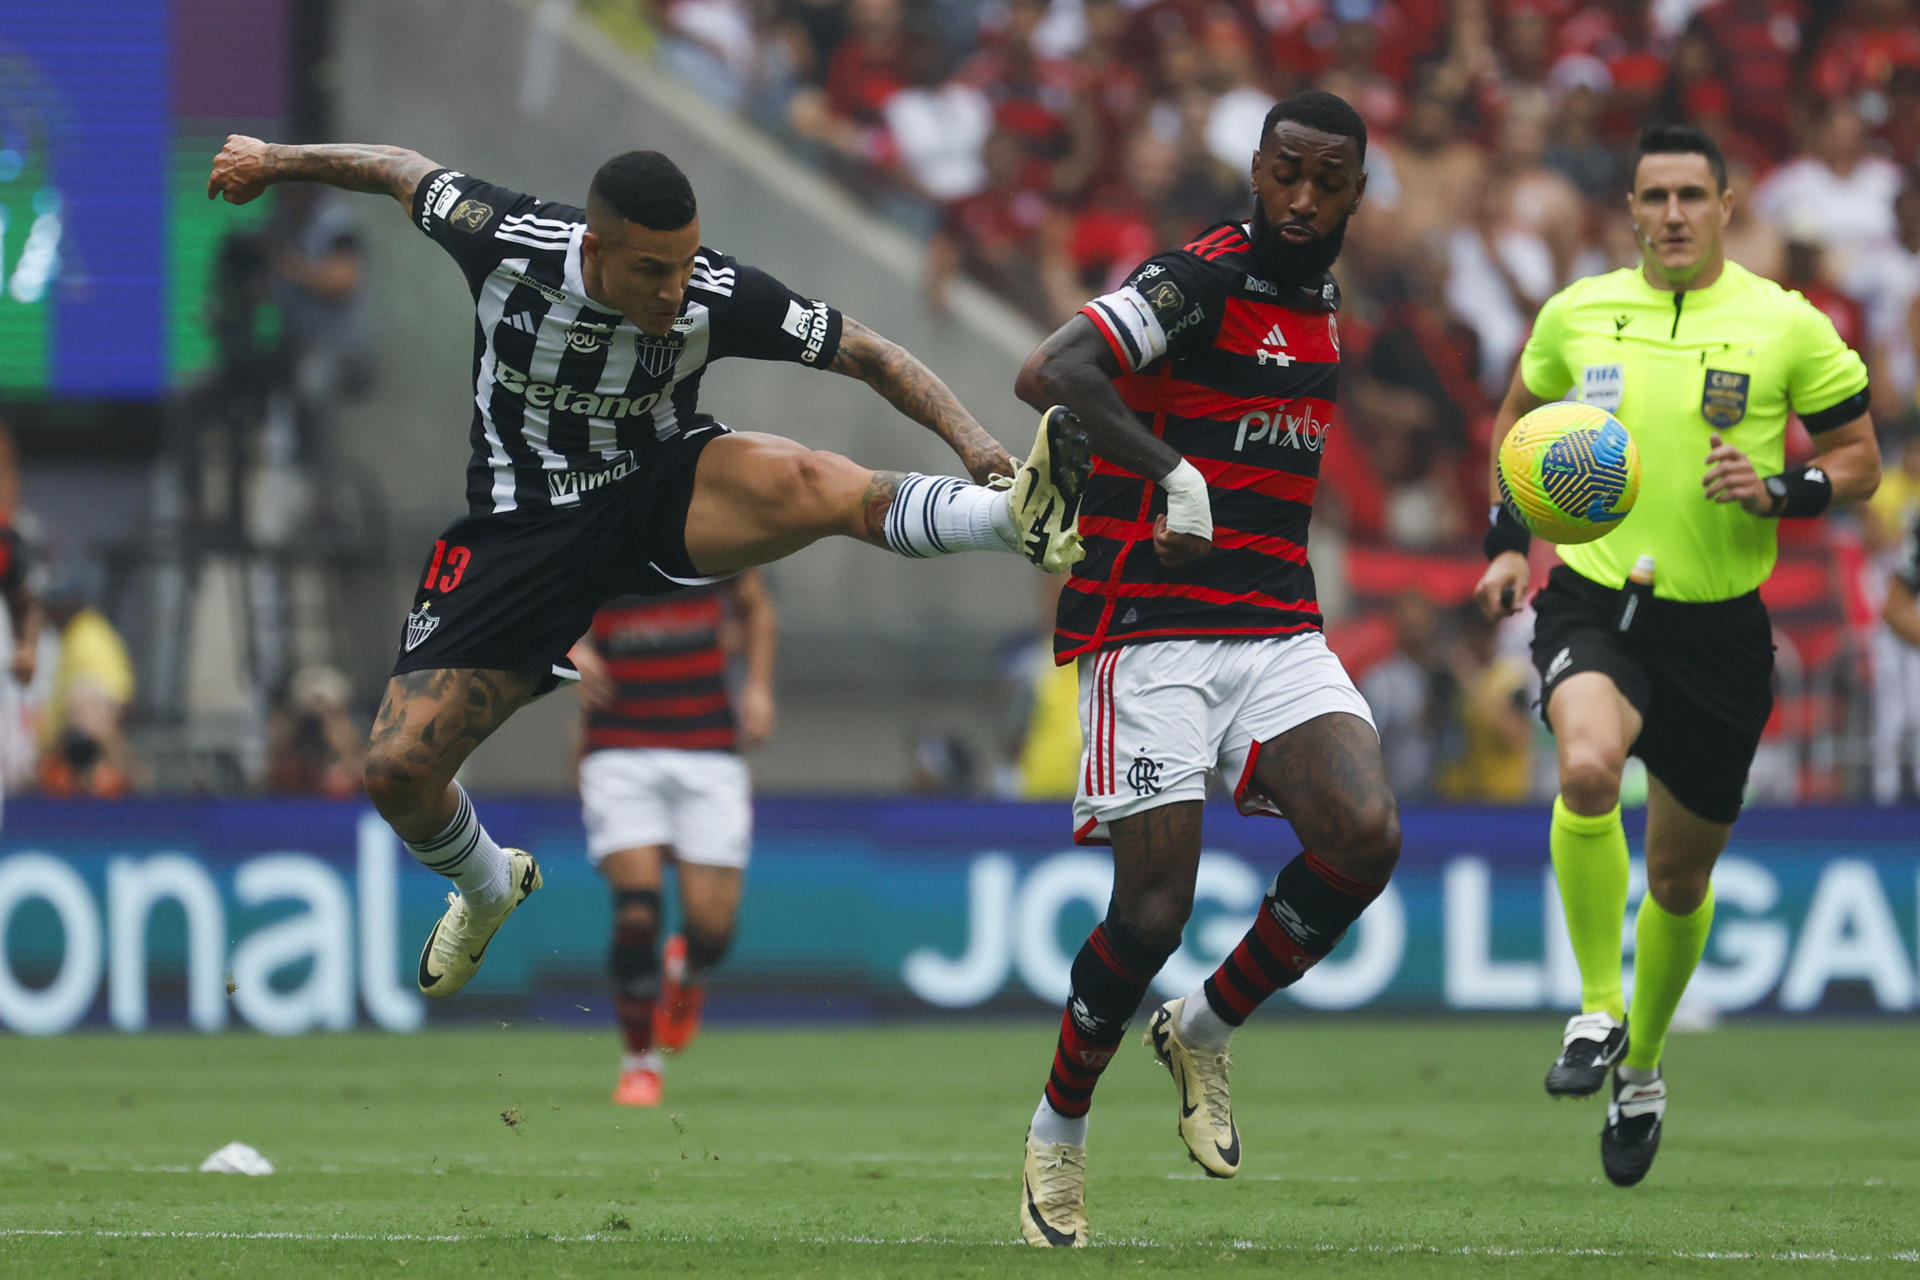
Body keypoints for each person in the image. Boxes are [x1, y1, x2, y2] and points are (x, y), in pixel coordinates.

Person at [207, 136, 1089, 1001]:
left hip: (659, 487)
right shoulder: (500, 237)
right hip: (519, 532)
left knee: (814, 482)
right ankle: (487, 886)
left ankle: (1012, 520)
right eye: (652, 271)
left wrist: (979, 448)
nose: (676, 291)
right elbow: (401, 169)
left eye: (687, 264)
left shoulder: (714, 293)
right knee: (397, 773)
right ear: (595, 247)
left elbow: (867, 350)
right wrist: (273, 159)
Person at [1008, 91, 1402, 1248]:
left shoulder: (1323, 298)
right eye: (1285, 172)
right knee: (1152, 907)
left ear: (1355, 194)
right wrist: (1172, 472)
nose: (1301, 198)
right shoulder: (1203, 277)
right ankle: (1057, 1136)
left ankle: (1208, 1026)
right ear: (1255, 166)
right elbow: (1054, 368)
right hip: (1151, 626)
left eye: (1327, 182)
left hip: (1277, 624)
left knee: (1366, 832)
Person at [1473, 124, 1879, 1188]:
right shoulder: (1580, 313)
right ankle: (1596, 1008)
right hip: (1599, 602)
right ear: (1632, 209)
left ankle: (1643, 1066)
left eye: (1692, 195)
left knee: (1680, 876)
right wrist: (1510, 543)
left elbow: (1862, 459)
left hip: (1722, 631)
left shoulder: (1786, 325)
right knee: (1589, 766)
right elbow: (1517, 421)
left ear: (1728, 203)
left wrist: (1784, 491)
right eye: (1654, 196)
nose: (1673, 215)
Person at [569, 569, 774, 1107]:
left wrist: (757, 687)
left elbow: (756, 607)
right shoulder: (600, 531)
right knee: (637, 912)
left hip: (708, 748)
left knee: (713, 929)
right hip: (619, 745)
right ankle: (640, 1063)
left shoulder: (714, 532)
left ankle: (685, 970)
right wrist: (570, 650)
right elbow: (540, 601)